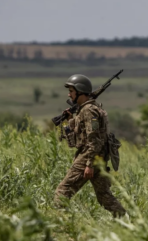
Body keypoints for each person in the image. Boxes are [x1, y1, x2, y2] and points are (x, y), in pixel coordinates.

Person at [54, 74, 126, 217]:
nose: (69, 94)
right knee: (104, 196)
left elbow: (94, 140)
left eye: (71, 91)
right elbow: (77, 138)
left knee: (63, 191)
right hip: (97, 157)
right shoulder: (86, 109)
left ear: (80, 91)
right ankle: (127, 220)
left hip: (89, 156)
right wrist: (70, 121)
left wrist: (88, 164)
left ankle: (59, 224)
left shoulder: (89, 111)